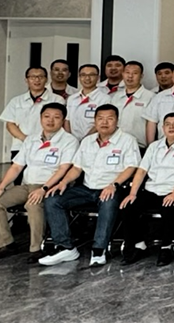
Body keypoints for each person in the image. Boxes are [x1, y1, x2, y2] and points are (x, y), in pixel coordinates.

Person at [41, 104, 141, 267]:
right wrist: (63, 182)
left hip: (112, 188)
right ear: (95, 121)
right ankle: (65, 247)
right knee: (53, 199)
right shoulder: (87, 141)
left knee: (108, 201)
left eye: (109, 119)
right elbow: (77, 168)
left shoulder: (127, 140)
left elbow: (131, 167)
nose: (104, 122)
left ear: (117, 120)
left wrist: (114, 184)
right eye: (100, 119)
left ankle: (99, 249)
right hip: (87, 188)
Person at [0, 103, 78, 264]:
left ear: (63, 120)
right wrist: (1, 187)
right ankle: (4, 245)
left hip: (50, 186)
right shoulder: (31, 139)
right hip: (27, 185)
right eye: (46, 116)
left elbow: (63, 169)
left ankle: (36, 249)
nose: (50, 120)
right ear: (40, 118)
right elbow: (16, 166)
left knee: (33, 204)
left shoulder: (69, 141)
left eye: (56, 117)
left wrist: (44, 188)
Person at [119, 113, 174, 267]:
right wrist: (132, 193)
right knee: (128, 207)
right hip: (152, 189)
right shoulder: (154, 146)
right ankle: (138, 244)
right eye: (168, 124)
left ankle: (166, 248)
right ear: (162, 127)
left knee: (168, 208)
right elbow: (142, 171)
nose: (171, 127)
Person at [0, 66, 65, 169]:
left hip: (48, 145)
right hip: (20, 146)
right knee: (18, 175)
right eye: (33, 77)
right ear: (26, 80)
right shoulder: (16, 101)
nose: (37, 80)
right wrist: (26, 139)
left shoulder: (57, 100)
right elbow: (10, 124)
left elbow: (60, 122)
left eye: (40, 77)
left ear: (46, 79)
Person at [110, 60, 156, 153]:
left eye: (135, 73)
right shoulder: (115, 96)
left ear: (141, 76)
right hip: (115, 145)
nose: (130, 76)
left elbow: (151, 123)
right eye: (127, 73)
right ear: (123, 74)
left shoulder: (151, 97)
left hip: (138, 146)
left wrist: (150, 148)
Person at [65, 64, 111, 140]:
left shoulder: (104, 99)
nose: (87, 78)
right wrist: (70, 139)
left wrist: (86, 140)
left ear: (98, 77)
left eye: (91, 75)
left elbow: (102, 122)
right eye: (83, 75)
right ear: (79, 77)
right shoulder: (72, 98)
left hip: (93, 140)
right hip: (73, 141)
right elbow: (67, 120)